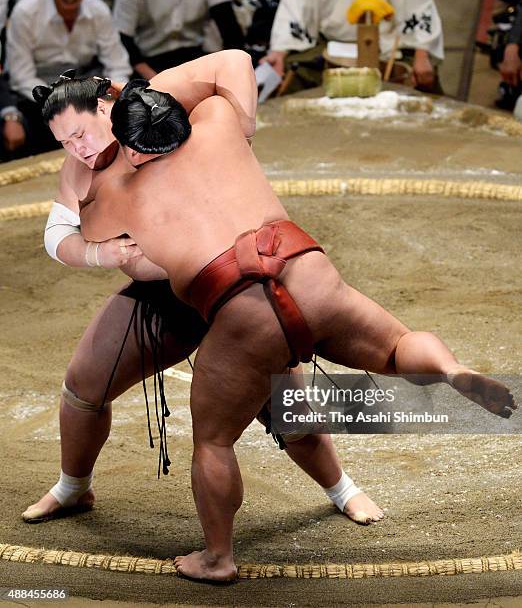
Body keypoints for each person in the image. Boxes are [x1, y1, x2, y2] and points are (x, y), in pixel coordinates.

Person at [77, 53, 516, 581]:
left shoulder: (118, 193)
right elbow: (232, 62)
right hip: (307, 270)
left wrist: (100, 165)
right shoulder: (218, 121)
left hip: (241, 310)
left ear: (127, 146)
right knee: (397, 345)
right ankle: (449, 369)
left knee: (215, 440)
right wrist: (155, 92)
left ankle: (217, 557)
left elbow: (87, 231)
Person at [23, 52, 384, 526]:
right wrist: (101, 255)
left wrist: (245, 127)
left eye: (81, 133)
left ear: (105, 108)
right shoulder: (78, 170)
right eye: (64, 142)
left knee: (283, 402)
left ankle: (341, 488)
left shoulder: (160, 105)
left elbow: (234, 62)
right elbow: (56, 235)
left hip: (238, 283)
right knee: (83, 384)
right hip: (164, 297)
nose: (78, 148)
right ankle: (73, 488)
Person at [6, 0, 131, 155]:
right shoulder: (25, 12)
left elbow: (118, 65)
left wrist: (113, 96)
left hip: (87, 83)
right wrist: (61, 99)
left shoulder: (98, 9)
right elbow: (22, 76)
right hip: (40, 90)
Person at [261, 0, 444, 95]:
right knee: (291, 71)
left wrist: (422, 54)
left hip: (389, 46)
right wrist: (279, 52)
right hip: (331, 47)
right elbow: (294, 9)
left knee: (422, 75)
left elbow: (419, 10)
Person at [113, 0, 245, 80]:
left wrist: (229, 72)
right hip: (148, 62)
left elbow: (230, 30)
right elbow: (124, 40)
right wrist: (154, 79)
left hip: (195, 56)